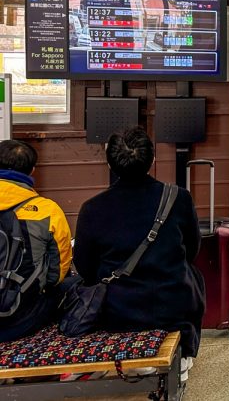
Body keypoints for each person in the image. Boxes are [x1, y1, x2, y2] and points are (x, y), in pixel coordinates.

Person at [73, 127, 204, 377]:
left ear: (110, 163)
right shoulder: (179, 197)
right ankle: (185, 350)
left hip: (118, 310)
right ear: (152, 159)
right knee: (193, 274)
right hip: (172, 304)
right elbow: (192, 250)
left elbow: (85, 268)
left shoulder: (91, 208)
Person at [0, 140, 72, 342]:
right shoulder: (48, 210)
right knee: (73, 286)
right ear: (32, 171)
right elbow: (56, 274)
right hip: (20, 319)